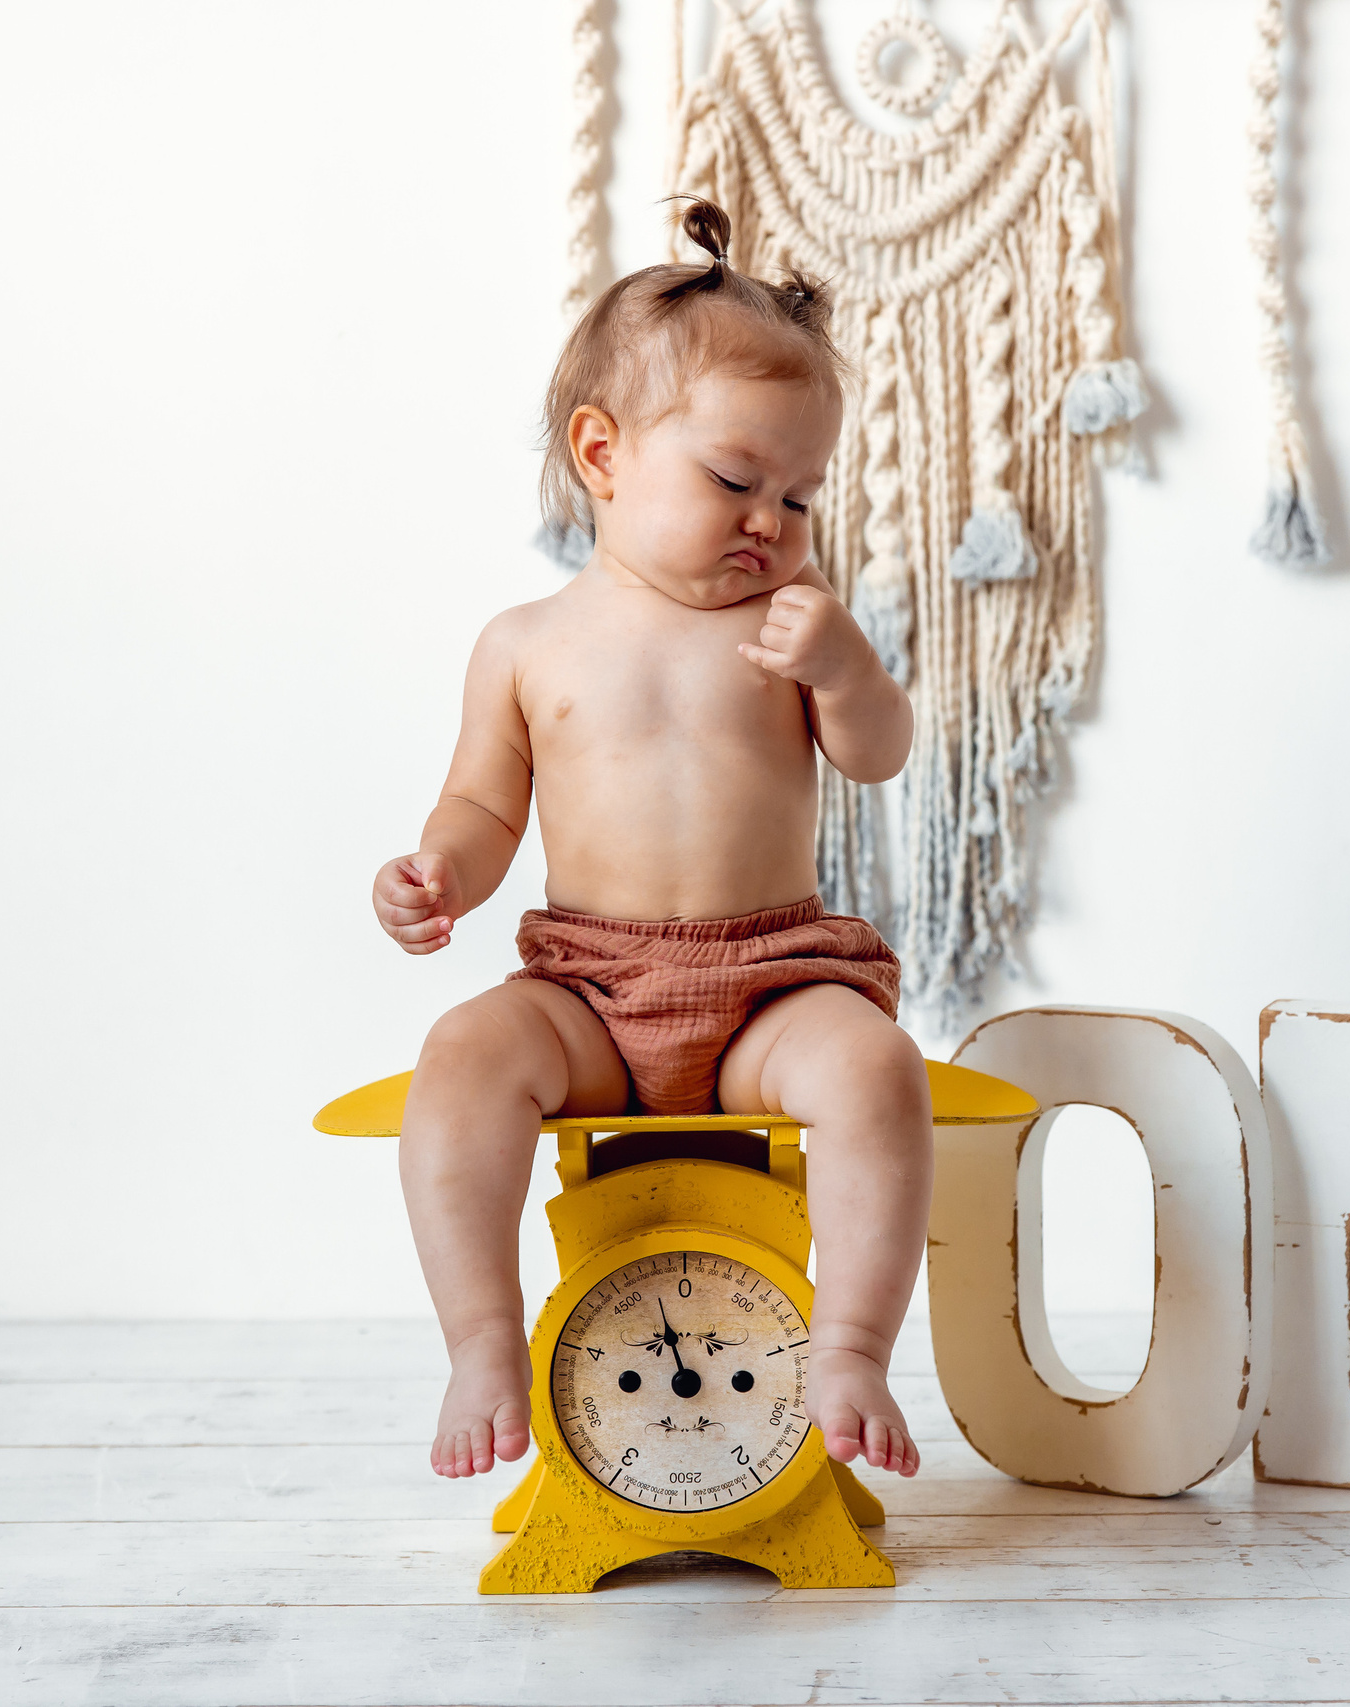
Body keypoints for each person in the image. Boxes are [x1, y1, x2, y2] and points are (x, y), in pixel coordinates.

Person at [370, 199, 929, 1485]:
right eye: (735, 480)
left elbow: (877, 753)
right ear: (602, 453)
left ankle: (850, 1346)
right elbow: (484, 809)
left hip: (771, 988)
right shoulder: (525, 644)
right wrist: (440, 871)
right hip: (590, 991)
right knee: (460, 1056)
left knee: (876, 1070)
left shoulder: (792, 626)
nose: (769, 521)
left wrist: (846, 669)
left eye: (798, 496)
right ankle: (482, 1341)